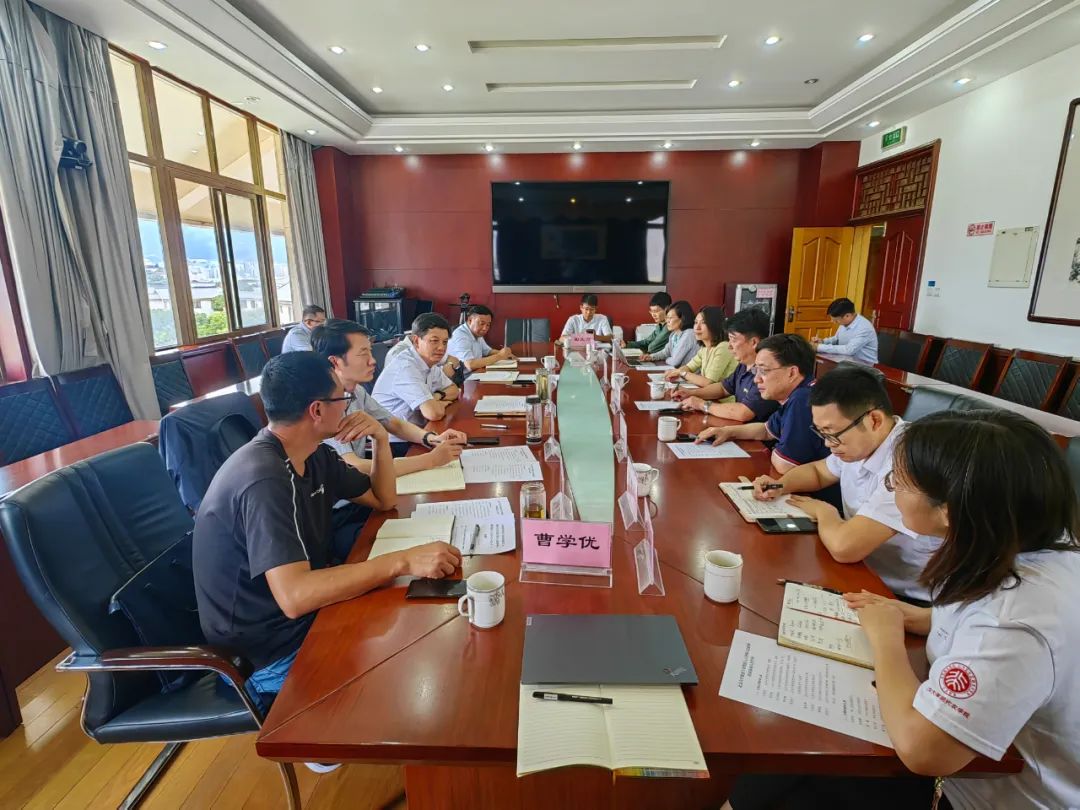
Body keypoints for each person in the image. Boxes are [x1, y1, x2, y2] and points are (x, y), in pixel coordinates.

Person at [725, 410, 1080, 809]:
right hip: (974, 766)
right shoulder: (1022, 547)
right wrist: (921, 618)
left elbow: (924, 752)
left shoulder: (1015, 619)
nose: (891, 490)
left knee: (790, 760)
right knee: (776, 770)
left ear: (948, 509)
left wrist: (886, 640)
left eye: (898, 482)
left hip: (987, 794)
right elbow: (974, 624)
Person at [192, 352, 461, 715]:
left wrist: (381, 440)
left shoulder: (313, 454)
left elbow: (382, 499)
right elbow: (295, 596)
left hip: (308, 615)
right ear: (317, 410)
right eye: (342, 398)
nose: (349, 405)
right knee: (407, 675)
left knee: (419, 629)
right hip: (267, 654)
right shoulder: (264, 478)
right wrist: (401, 561)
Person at [750, 365, 940, 602]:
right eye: (821, 433)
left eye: (831, 433)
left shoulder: (909, 462)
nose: (828, 444)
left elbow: (844, 547)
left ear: (874, 420)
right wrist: (780, 486)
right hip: (863, 571)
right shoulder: (859, 443)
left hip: (902, 594)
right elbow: (818, 471)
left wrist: (824, 511)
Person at [312, 320, 468, 556]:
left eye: (370, 352)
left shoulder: (355, 391)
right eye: (363, 354)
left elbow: (392, 423)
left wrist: (431, 439)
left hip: (366, 494)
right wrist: (431, 460)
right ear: (335, 362)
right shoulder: (325, 406)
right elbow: (355, 466)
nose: (373, 361)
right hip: (340, 512)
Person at [695, 334, 829, 474]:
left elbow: (785, 465)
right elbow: (766, 430)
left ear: (792, 373)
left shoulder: (803, 399)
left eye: (763, 371)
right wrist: (727, 431)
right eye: (756, 370)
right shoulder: (796, 393)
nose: (756, 379)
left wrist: (774, 451)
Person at [674, 307, 777, 423]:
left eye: (733, 340)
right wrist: (690, 393)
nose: (729, 346)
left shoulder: (766, 371)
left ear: (753, 342)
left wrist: (702, 404)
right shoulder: (744, 365)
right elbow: (723, 388)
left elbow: (744, 412)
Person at [372, 312, 460, 439]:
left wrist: (436, 397)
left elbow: (454, 390)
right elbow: (433, 413)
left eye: (445, 342)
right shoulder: (406, 367)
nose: (441, 348)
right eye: (434, 341)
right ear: (416, 341)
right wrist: (440, 404)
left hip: (420, 432)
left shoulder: (428, 362)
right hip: (394, 441)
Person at [663, 305, 738, 389]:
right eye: (695, 322)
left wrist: (682, 373)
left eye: (703, 323)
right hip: (708, 394)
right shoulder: (704, 348)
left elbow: (708, 382)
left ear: (715, 325)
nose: (697, 327)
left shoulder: (723, 347)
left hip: (722, 397)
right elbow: (689, 367)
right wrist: (675, 372)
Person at [446, 305, 514, 375]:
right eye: (482, 324)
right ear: (470, 320)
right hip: (462, 378)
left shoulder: (477, 333)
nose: (485, 328)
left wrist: (506, 354)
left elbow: (488, 351)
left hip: (475, 373)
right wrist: (500, 356)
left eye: (488, 325)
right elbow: (470, 365)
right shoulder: (461, 336)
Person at [813, 298, 878, 365]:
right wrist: (823, 341)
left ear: (847, 315)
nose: (833, 322)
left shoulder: (864, 328)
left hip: (864, 366)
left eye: (836, 320)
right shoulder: (845, 322)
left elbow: (848, 350)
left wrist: (819, 347)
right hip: (846, 361)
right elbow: (837, 339)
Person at [641, 300, 697, 368]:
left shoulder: (689, 334)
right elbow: (665, 352)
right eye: (667, 317)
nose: (667, 321)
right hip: (677, 371)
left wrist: (666, 359)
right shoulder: (673, 334)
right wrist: (651, 357)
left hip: (688, 373)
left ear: (682, 318)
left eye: (670, 318)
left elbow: (674, 362)